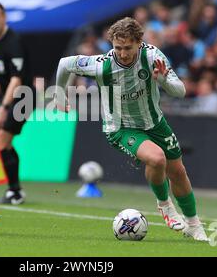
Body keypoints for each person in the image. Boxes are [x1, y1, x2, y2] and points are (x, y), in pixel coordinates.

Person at [55, 17, 208, 241]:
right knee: (156, 159)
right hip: (121, 127)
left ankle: (194, 225)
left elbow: (181, 91)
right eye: (118, 48)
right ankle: (165, 206)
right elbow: (65, 64)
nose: (123, 53)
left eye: (128, 48)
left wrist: (164, 81)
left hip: (155, 123)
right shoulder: (101, 64)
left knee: (178, 172)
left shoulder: (152, 56)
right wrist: (60, 93)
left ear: (139, 43)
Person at [0, 2, 33, 204]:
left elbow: (16, 79)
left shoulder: (13, 41)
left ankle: (15, 191)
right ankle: (14, 190)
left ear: (4, 17)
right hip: (10, 96)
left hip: (23, 98)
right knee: (4, 142)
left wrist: (3, 109)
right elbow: (2, 79)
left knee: (3, 140)